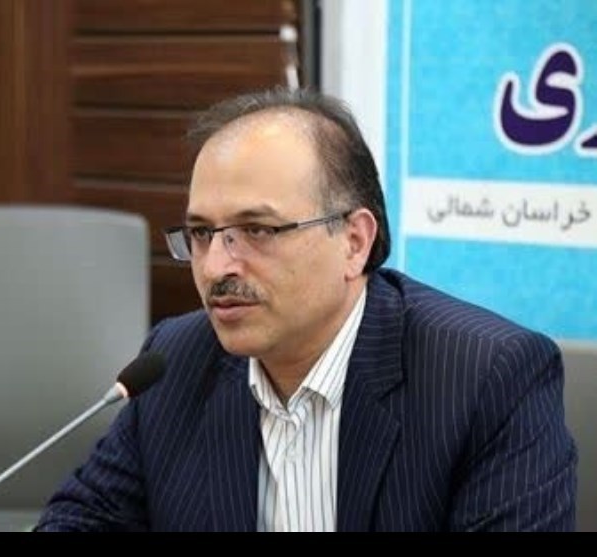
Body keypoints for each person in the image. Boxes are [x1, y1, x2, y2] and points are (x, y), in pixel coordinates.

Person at [36, 87, 577, 531]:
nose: (217, 266)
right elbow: (82, 519)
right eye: (201, 233)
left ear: (354, 242)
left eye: (257, 230)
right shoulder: (175, 363)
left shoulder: (486, 378)